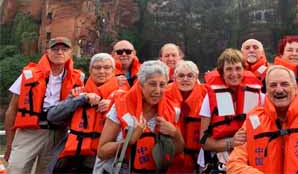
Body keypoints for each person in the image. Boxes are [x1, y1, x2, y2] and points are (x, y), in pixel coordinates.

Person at [5, 37, 84, 174]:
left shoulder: (78, 79)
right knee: (16, 169)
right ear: (47, 52)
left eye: (64, 49)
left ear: (70, 53)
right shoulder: (28, 75)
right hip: (29, 131)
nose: (60, 52)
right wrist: (9, 143)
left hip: (57, 133)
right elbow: (12, 110)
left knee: (46, 171)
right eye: (55, 49)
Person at [98, 60, 184, 173]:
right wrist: (129, 141)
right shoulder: (119, 107)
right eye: (152, 84)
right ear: (141, 85)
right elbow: (102, 152)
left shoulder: (171, 111)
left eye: (162, 85)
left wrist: (175, 133)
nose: (158, 90)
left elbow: (177, 150)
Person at [45, 53, 120, 173]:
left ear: (113, 70)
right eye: (97, 67)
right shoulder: (78, 93)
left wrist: (112, 105)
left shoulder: (121, 96)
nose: (102, 71)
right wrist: (82, 99)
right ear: (90, 70)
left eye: (107, 67)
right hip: (73, 158)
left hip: (102, 158)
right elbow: (52, 117)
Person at [199, 48, 263, 172]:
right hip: (218, 160)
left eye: (238, 68)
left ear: (244, 70)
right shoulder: (210, 98)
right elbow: (203, 141)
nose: (234, 73)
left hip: (248, 158)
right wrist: (231, 142)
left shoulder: (259, 96)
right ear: (221, 73)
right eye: (228, 69)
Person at [164, 61, 207, 173]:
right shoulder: (164, 94)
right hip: (171, 163)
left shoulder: (206, 95)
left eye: (190, 76)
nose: (185, 79)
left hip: (197, 162)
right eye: (181, 76)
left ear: (196, 77)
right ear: (174, 77)